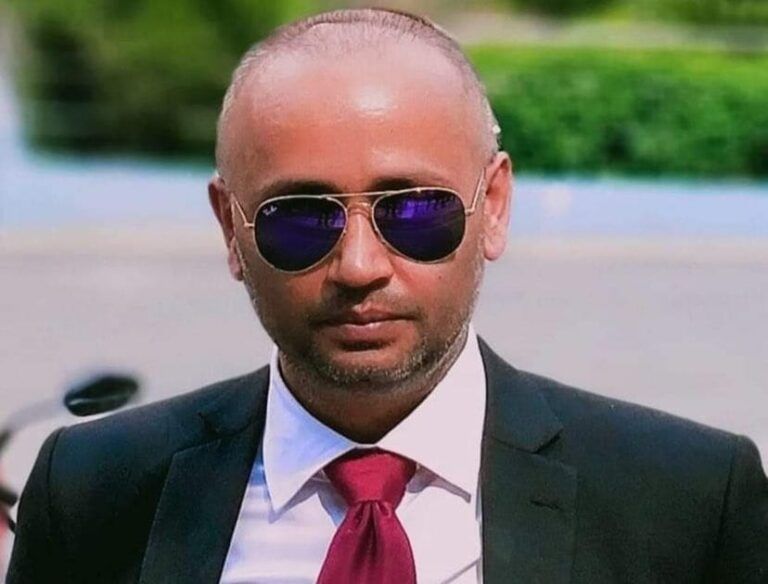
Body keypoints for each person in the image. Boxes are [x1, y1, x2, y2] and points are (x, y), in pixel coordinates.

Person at [8, 8, 768, 584]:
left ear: (494, 206)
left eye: (415, 213)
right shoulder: (95, 493)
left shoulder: (688, 501)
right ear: (229, 229)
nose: (359, 265)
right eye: (300, 220)